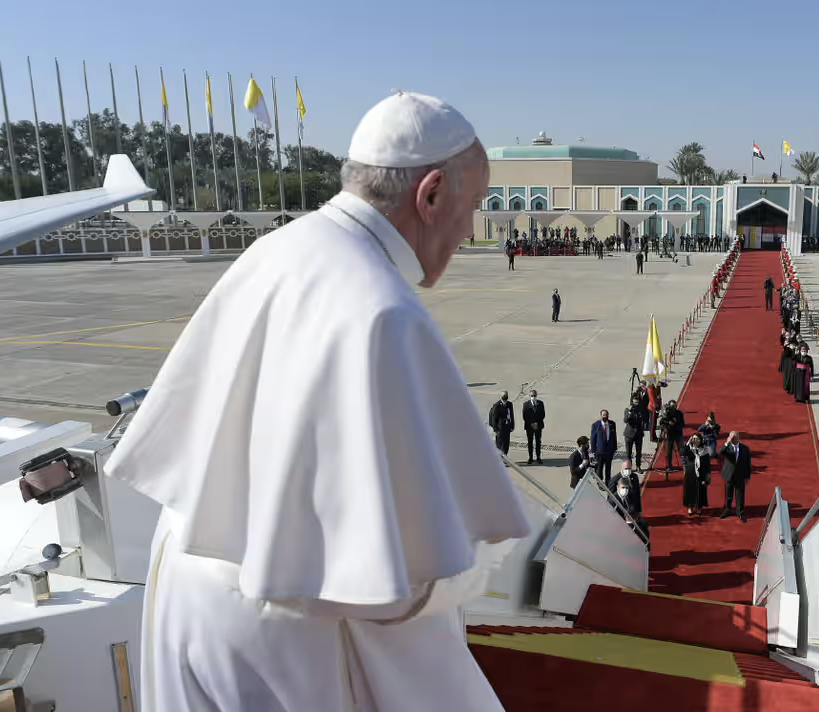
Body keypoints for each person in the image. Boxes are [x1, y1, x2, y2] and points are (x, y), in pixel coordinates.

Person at [103, 92, 530, 712]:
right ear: (432, 193)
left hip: (194, 584)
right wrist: (480, 563)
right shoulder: (383, 310)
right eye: (474, 207)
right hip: (289, 636)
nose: (471, 229)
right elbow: (395, 587)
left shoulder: (278, 249)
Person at [718, 431, 752, 522]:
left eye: (735, 436)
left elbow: (748, 463)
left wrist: (747, 476)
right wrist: (727, 442)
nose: (733, 438)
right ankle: (727, 510)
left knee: (739, 495)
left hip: (740, 475)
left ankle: (740, 512)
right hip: (728, 474)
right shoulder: (727, 447)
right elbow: (719, 453)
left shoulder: (745, 449)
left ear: (738, 437)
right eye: (731, 436)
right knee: (728, 494)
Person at [682, 433, 712, 517]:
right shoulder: (690, 449)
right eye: (694, 438)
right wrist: (688, 443)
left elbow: (707, 463)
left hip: (701, 473)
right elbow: (684, 453)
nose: (695, 440)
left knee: (700, 490)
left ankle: (699, 507)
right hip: (690, 472)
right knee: (690, 490)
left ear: (701, 440)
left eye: (697, 439)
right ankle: (690, 507)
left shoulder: (705, 450)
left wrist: (708, 474)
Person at [590, 409, 618, 481]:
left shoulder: (612, 424)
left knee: (608, 469)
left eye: (606, 415)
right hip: (600, 452)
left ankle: (608, 482)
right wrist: (593, 451)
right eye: (603, 415)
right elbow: (593, 439)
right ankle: (600, 482)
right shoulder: (596, 425)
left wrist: (614, 448)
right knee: (599, 469)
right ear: (601, 416)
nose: (605, 417)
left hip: (609, 451)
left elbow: (614, 436)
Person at [659, 399, 686, 474]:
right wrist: (667, 423)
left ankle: (684, 464)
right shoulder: (666, 414)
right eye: (672, 406)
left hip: (678, 433)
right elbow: (661, 422)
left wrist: (675, 423)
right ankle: (668, 465)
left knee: (681, 449)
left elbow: (682, 424)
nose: (673, 408)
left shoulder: (679, 413)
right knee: (668, 450)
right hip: (669, 434)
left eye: (674, 406)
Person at [623, 395, 647, 472]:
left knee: (638, 452)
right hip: (629, 434)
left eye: (637, 401)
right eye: (635, 401)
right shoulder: (628, 410)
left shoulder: (641, 410)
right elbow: (625, 420)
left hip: (639, 433)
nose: (636, 403)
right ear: (632, 401)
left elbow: (644, 419)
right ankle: (628, 467)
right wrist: (630, 412)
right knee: (628, 453)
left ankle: (638, 466)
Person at [522, 389, 546, 465]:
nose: (533, 397)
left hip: (538, 426)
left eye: (534, 395)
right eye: (531, 396)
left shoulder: (540, 403)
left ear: (536, 396)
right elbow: (525, 416)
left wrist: (536, 423)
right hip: (529, 426)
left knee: (538, 442)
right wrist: (532, 423)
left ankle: (538, 457)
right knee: (530, 442)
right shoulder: (526, 404)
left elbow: (543, 414)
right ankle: (530, 457)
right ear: (529, 396)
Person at [489, 390, 515, 455]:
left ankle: (504, 458)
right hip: (500, 428)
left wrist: (512, 425)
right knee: (500, 445)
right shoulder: (497, 406)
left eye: (506, 397)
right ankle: (500, 460)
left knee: (506, 444)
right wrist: (496, 430)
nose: (505, 399)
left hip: (507, 427)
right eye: (504, 397)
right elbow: (493, 419)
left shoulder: (509, 404)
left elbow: (511, 415)